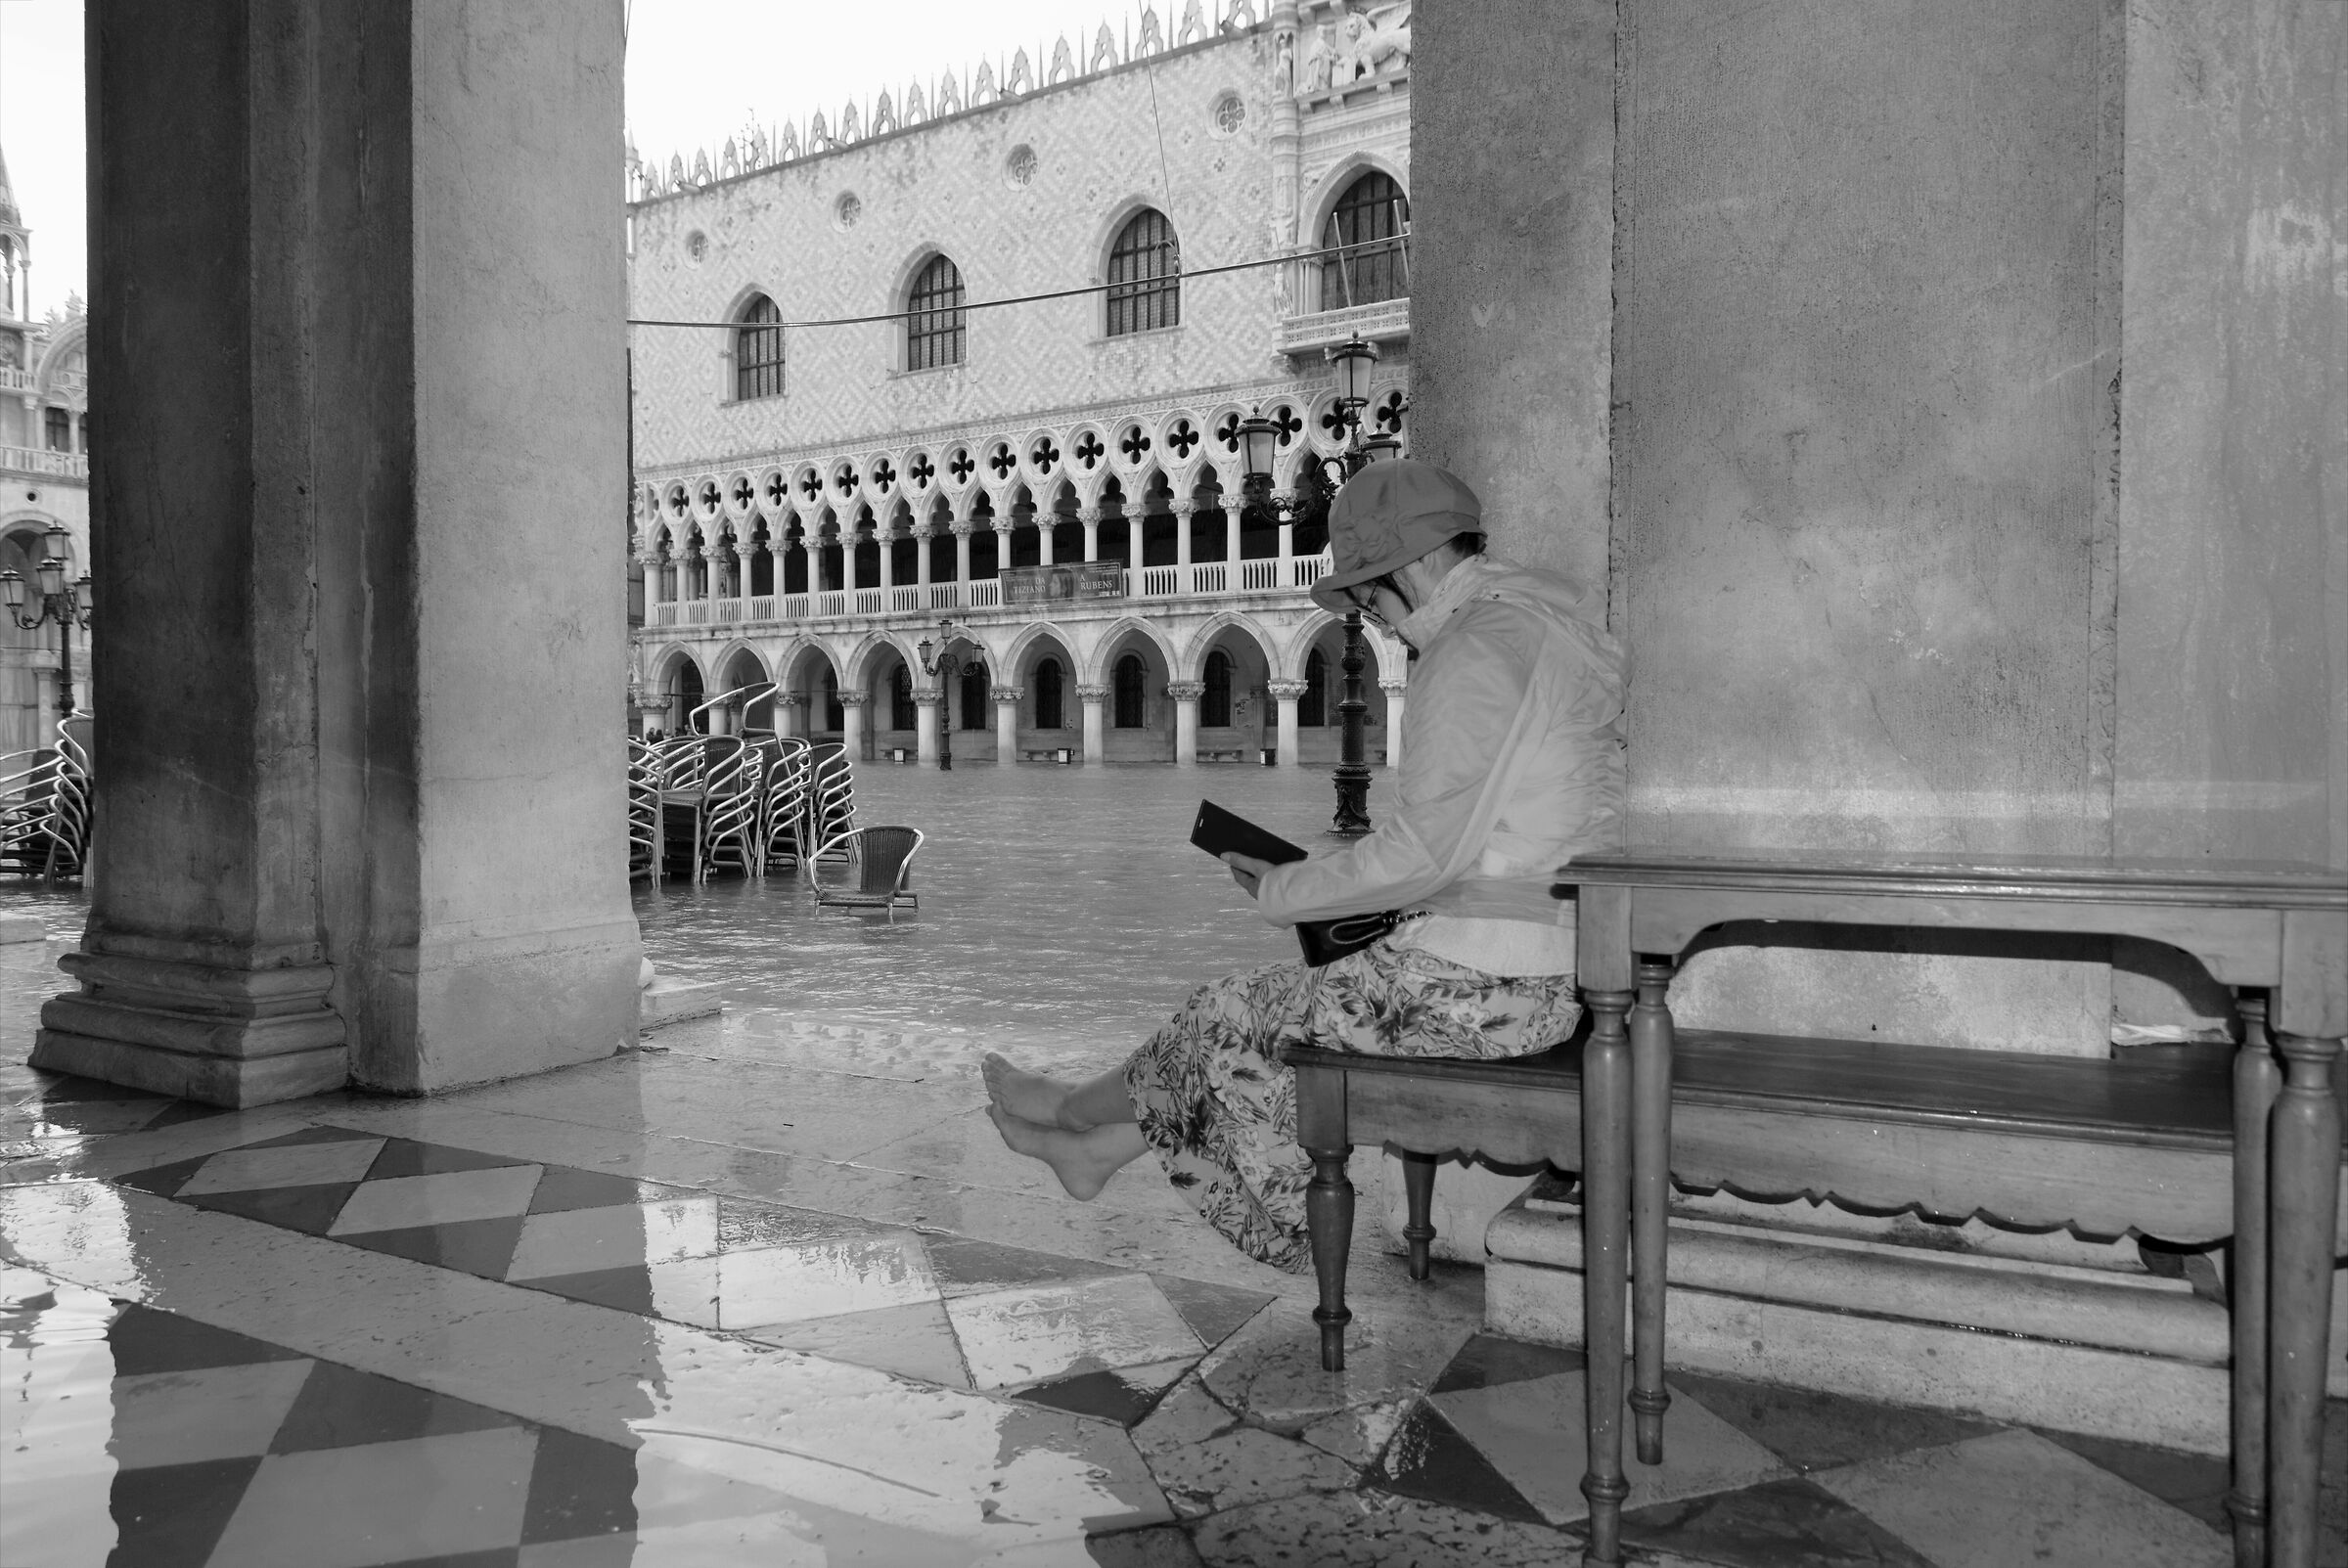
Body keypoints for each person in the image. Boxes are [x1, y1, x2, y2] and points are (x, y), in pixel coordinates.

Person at [983, 460, 1627, 1271]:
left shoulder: (1473, 649)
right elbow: (1477, 834)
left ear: (1418, 563)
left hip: (1483, 991)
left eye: (1370, 596)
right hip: (1542, 974)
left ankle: (1075, 1113)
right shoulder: (1540, 627)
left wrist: (1289, 888)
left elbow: (1428, 851)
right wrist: (1321, 876)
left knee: (1224, 1015)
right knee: (1254, 1020)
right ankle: (1098, 1148)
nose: (1376, 619)